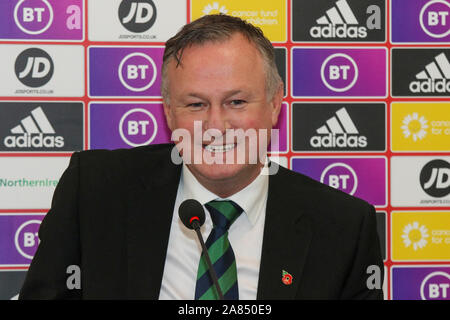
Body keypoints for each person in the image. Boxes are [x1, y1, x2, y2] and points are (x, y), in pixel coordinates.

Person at [20, 14, 383, 300]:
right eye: (195, 104)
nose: (216, 125)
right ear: (168, 112)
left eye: (236, 102)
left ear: (275, 104)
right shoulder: (94, 192)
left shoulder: (344, 226)